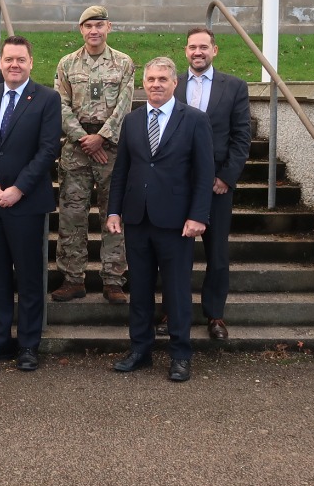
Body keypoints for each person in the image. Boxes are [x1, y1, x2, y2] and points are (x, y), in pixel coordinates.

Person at [106, 57, 215, 383]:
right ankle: (140, 349)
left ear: (174, 83)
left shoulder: (194, 120)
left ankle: (180, 354)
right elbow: (122, 170)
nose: (155, 84)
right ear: (144, 83)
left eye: (162, 79)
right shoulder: (133, 121)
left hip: (177, 223)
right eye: (150, 79)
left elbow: (204, 172)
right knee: (139, 289)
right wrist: (114, 211)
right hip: (138, 219)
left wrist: (198, 215)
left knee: (178, 291)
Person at [0, 36, 62, 373]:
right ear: (0, 62)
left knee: (30, 276)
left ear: (31, 62)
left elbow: (48, 150)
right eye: (8, 60)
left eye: (20, 59)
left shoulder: (47, 99)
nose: (14, 65)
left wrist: (18, 188)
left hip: (26, 203)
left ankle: (29, 345)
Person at [53, 5, 135, 304]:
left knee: (113, 214)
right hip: (77, 148)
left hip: (112, 147)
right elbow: (59, 105)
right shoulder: (67, 63)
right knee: (72, 215)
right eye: (88, 26)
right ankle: (73, 278)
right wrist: (83, 138)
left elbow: (125, 104)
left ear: (108, 27)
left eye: (99, 25)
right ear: (81, 30)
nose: (94, 31)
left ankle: (113, 279)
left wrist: (101, 138)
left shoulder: (124, 63)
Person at [176, 26, 252, 340]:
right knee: (174, 254)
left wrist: (226, 178)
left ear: (214, 50)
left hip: (217, 186)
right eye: (193, 47)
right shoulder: (173, 84)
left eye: (204, 47)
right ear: (186, 51)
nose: (198, 52)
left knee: (217, 254)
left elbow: (241, 137)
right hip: (177, 184)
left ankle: (215, 315)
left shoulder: (234, 87)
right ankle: (172, 310)